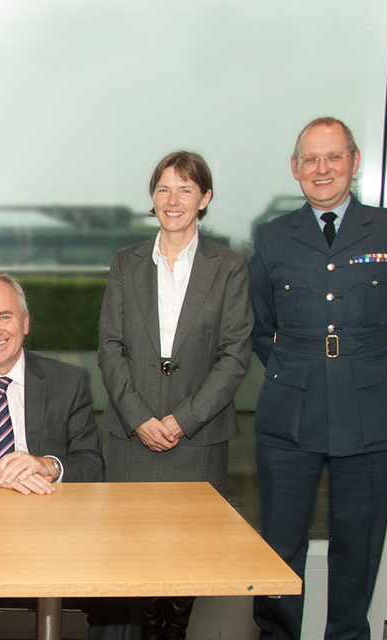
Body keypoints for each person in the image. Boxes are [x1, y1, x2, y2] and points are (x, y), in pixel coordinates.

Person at [249, 117, 387, 640]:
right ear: (295, 168)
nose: (321, 169)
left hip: (369, 410)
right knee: (281, 546)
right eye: (310, 159)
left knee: (360, 541)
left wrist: (379, 371)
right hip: (291, 412)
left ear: (353, 161)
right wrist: (294, 369)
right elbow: (261, 325)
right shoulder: (273, 237)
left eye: (332, 157)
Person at [0, 272, 137, 640]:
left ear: (25, 323)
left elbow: (91, 463)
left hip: (61, 528)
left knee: (121, 591)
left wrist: (47, 465)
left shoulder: (68, 381)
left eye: (4, 316)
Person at [97, 151, 253, 640]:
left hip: (196, 439)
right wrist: (140, 416)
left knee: (188, 560)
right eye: (164, 189)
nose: (173, 199)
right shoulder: (126, 263)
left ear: (204, 198)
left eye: (186, 189)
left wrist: (184, 419)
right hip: (132, 437)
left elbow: (234, 356)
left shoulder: (229, 266)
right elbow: (110, 346)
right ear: (152, 197)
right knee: (133, 559)